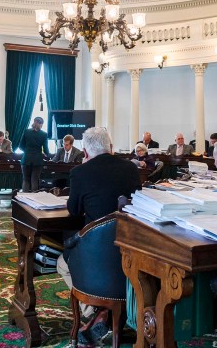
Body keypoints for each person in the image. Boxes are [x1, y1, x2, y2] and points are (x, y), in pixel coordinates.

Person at [58, 127, 142, 342]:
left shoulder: (80, 172)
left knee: (62, 261)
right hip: (132, 248)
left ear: (85, 152)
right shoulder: (131, 169)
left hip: (95, 253)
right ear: (111, 147)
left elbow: (74, 210)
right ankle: (107, 313)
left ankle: (95, 310)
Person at [20, 116, 49, 192]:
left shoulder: (26, 131)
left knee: (26, 180)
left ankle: (24, 200)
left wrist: (27, 151)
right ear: (41, 124)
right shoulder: (44, 134)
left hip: (26, 159)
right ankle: (34, 202)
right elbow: (46, 149)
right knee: (35, 180)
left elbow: (20, 146)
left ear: (34, 122)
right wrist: (48, 155)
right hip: (37, 160)